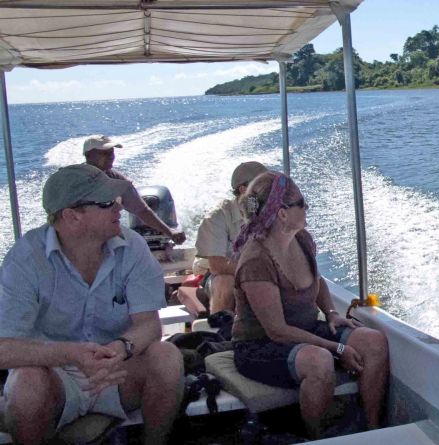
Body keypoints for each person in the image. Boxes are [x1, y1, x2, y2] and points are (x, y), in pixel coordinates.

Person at [0, 164, 184, 445]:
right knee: (25, 384)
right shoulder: (25, 259)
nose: (119, 208)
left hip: (118, 371)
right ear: (71, 215)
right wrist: (70, 355)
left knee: (167, 356)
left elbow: (149, 326)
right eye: (107, 202)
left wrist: (120, 348)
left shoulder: (132, 246)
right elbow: (4, 349)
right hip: (54, 376)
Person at [230, 171, 389, 438]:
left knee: (374, 341)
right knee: (319, 361)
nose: (307, 208)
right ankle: (314, 436)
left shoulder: (301, 239)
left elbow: (318, 281)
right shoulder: (256, 260)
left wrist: (330, 313)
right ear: (282, 213)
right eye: (302, 203)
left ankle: (371, 430)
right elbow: (277, 331)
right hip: (258, 346)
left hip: (305, 330)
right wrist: (338, 347)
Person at [194, 161, 268, 314]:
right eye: (262, 185)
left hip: (261, 271)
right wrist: (257, 273)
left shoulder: (271, 213)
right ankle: (221, 330)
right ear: (243, 189)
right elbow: (218, 266)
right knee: (225, 282)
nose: (269, 190)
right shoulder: (217, 217)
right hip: (223, 276)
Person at [82, 135, 186, 245]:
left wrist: (170, 232)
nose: (110, 157)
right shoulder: (74, 179)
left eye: (111, 152)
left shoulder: (116, 179)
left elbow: (142, 210)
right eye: (104, 153)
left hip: (106, 235)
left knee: (137, 245)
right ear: (88, 155)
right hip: (80, 237)